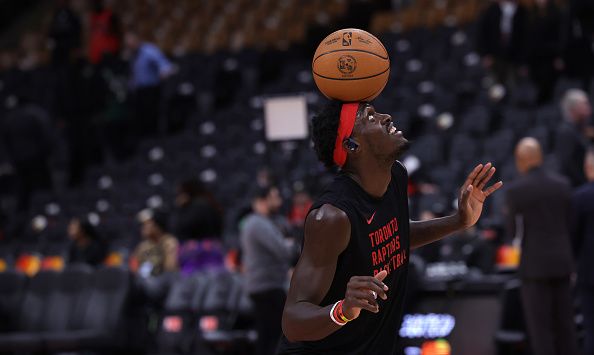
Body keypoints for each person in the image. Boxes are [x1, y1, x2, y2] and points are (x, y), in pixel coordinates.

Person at [279, 102, 502, 354]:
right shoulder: (331, 217)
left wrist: (458, 221)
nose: (386, 116)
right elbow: (293, 321)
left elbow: (395, 234)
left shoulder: (396, 176)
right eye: (369, 117)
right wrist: (343, 310)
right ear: (352, 145)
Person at [504, 137, 579, 355]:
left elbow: (513, 233)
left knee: (540, 330)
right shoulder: (563, 185)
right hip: (563, 263)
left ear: (520, 161)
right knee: (567, 326)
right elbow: (571, 225)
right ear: (540, 158)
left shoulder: (516, 191)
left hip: (533, 268)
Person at [240, 185, 294, 355]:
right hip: (267, 287)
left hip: (264, 286)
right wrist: (290, 243)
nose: (277, 202)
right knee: (272, 337)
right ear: (263, 201)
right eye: (273, 197)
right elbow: (283, 250)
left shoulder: (259, 222)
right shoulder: (258, 223)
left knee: (269, 336)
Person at [124, 30, 173, 137]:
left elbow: (166, 65)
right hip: (138, 92)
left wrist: (163, 72)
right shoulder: (130, 55)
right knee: (139, 122)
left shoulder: (149, 50)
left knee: (152, 120)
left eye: (131, 41)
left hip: (151, 91)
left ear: (137, 39)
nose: (129, 44)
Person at [571, 147, 594, 355]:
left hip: (589, 274)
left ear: (588, 168)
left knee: (591, 331)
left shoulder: (581, 197)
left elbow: (573, 237)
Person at [476, 0, 528, 86]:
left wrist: (523, 61)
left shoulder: (522, 12)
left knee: (512, 86)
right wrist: (485, 54)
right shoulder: (492, 10)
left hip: (514, 60)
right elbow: (482, 34)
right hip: (494, 58)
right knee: (493, 87)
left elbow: (525, 38)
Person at [524, 0, 565, 104]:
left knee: (548, 86)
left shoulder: (556, 13)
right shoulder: (530, 13)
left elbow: (560, 36)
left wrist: (559, 56)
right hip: (534, 57)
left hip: (549, 56)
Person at [556, 89, 594, 187]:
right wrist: (586, 183)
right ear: (574, 108)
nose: (589, 108)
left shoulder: (581, 129)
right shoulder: (566, 132)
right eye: (585, 104)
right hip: (575, 188)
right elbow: (568, 165)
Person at [131, 209, 179, 277]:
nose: (143, 228)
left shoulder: (169, 242)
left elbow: (170, 269)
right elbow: (134, 262)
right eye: (143, 225)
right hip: (145, 281)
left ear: (157, 226)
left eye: (147, 224)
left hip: (163, 280)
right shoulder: (143, 245)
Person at [88, 0, 120, 65]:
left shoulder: (111, 16)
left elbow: (116, 34)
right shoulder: (92, 17)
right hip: (95, 56)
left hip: (108, 55)